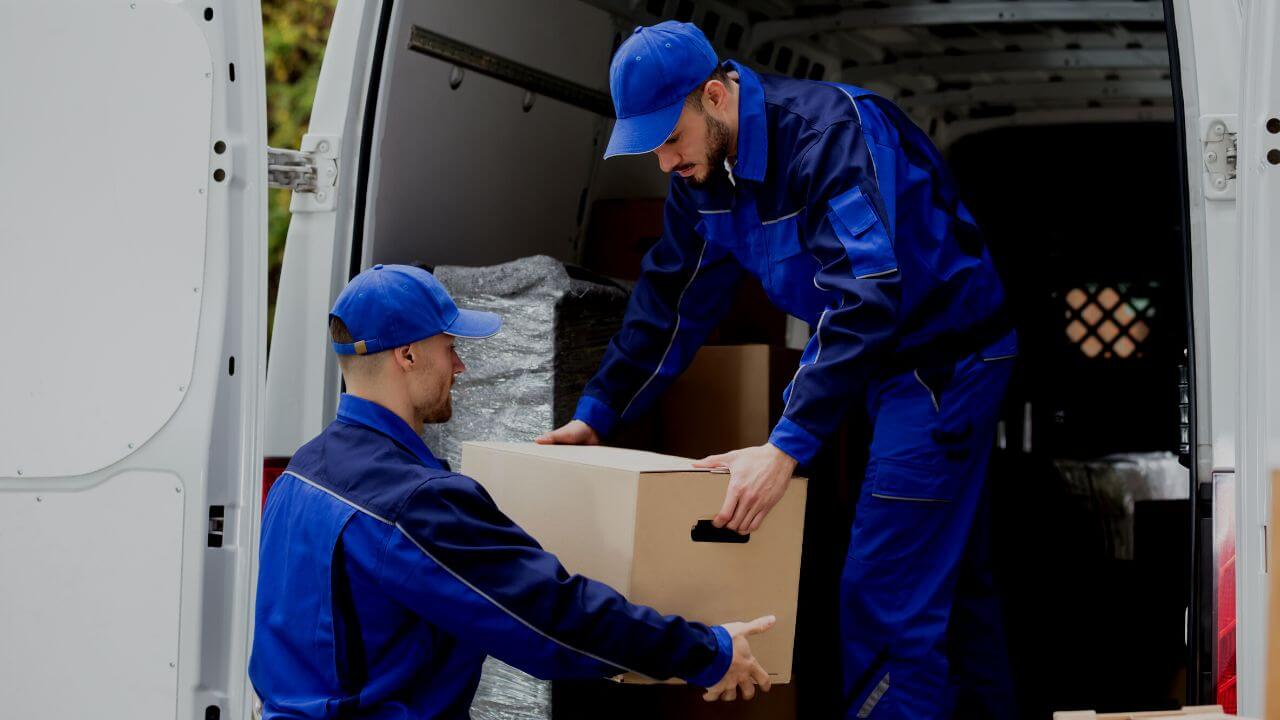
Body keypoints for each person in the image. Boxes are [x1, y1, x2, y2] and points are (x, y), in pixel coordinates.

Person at [537, 21, 1017, 719]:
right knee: (950, 584)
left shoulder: (828, 139)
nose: (665, 163)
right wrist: (596, 414)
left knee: (883, 590)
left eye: (670, 139)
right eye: (652, 150)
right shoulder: (703, 177)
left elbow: (864, 297)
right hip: (887, 366)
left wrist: (785, 448)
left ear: (714, 97)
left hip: (943, 363)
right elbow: (669, 302)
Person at [249, 263, 775, 719]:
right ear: (407, 356)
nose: (460, 366)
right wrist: (707, 650)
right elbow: (553, 618)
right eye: (450, 348)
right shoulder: (416, 502)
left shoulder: (302, 472)